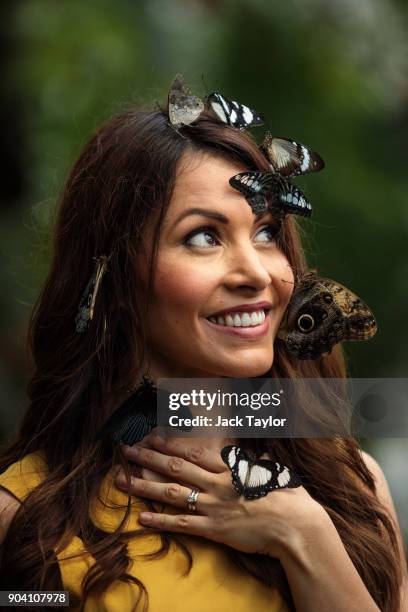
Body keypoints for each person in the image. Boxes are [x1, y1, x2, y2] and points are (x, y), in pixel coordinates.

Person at [0, 103, 406, 612]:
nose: (255, 272)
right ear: (117, 278)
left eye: (266, 233)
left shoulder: (351, 488)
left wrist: (305, 537)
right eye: (204, 237)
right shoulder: (24, 517)